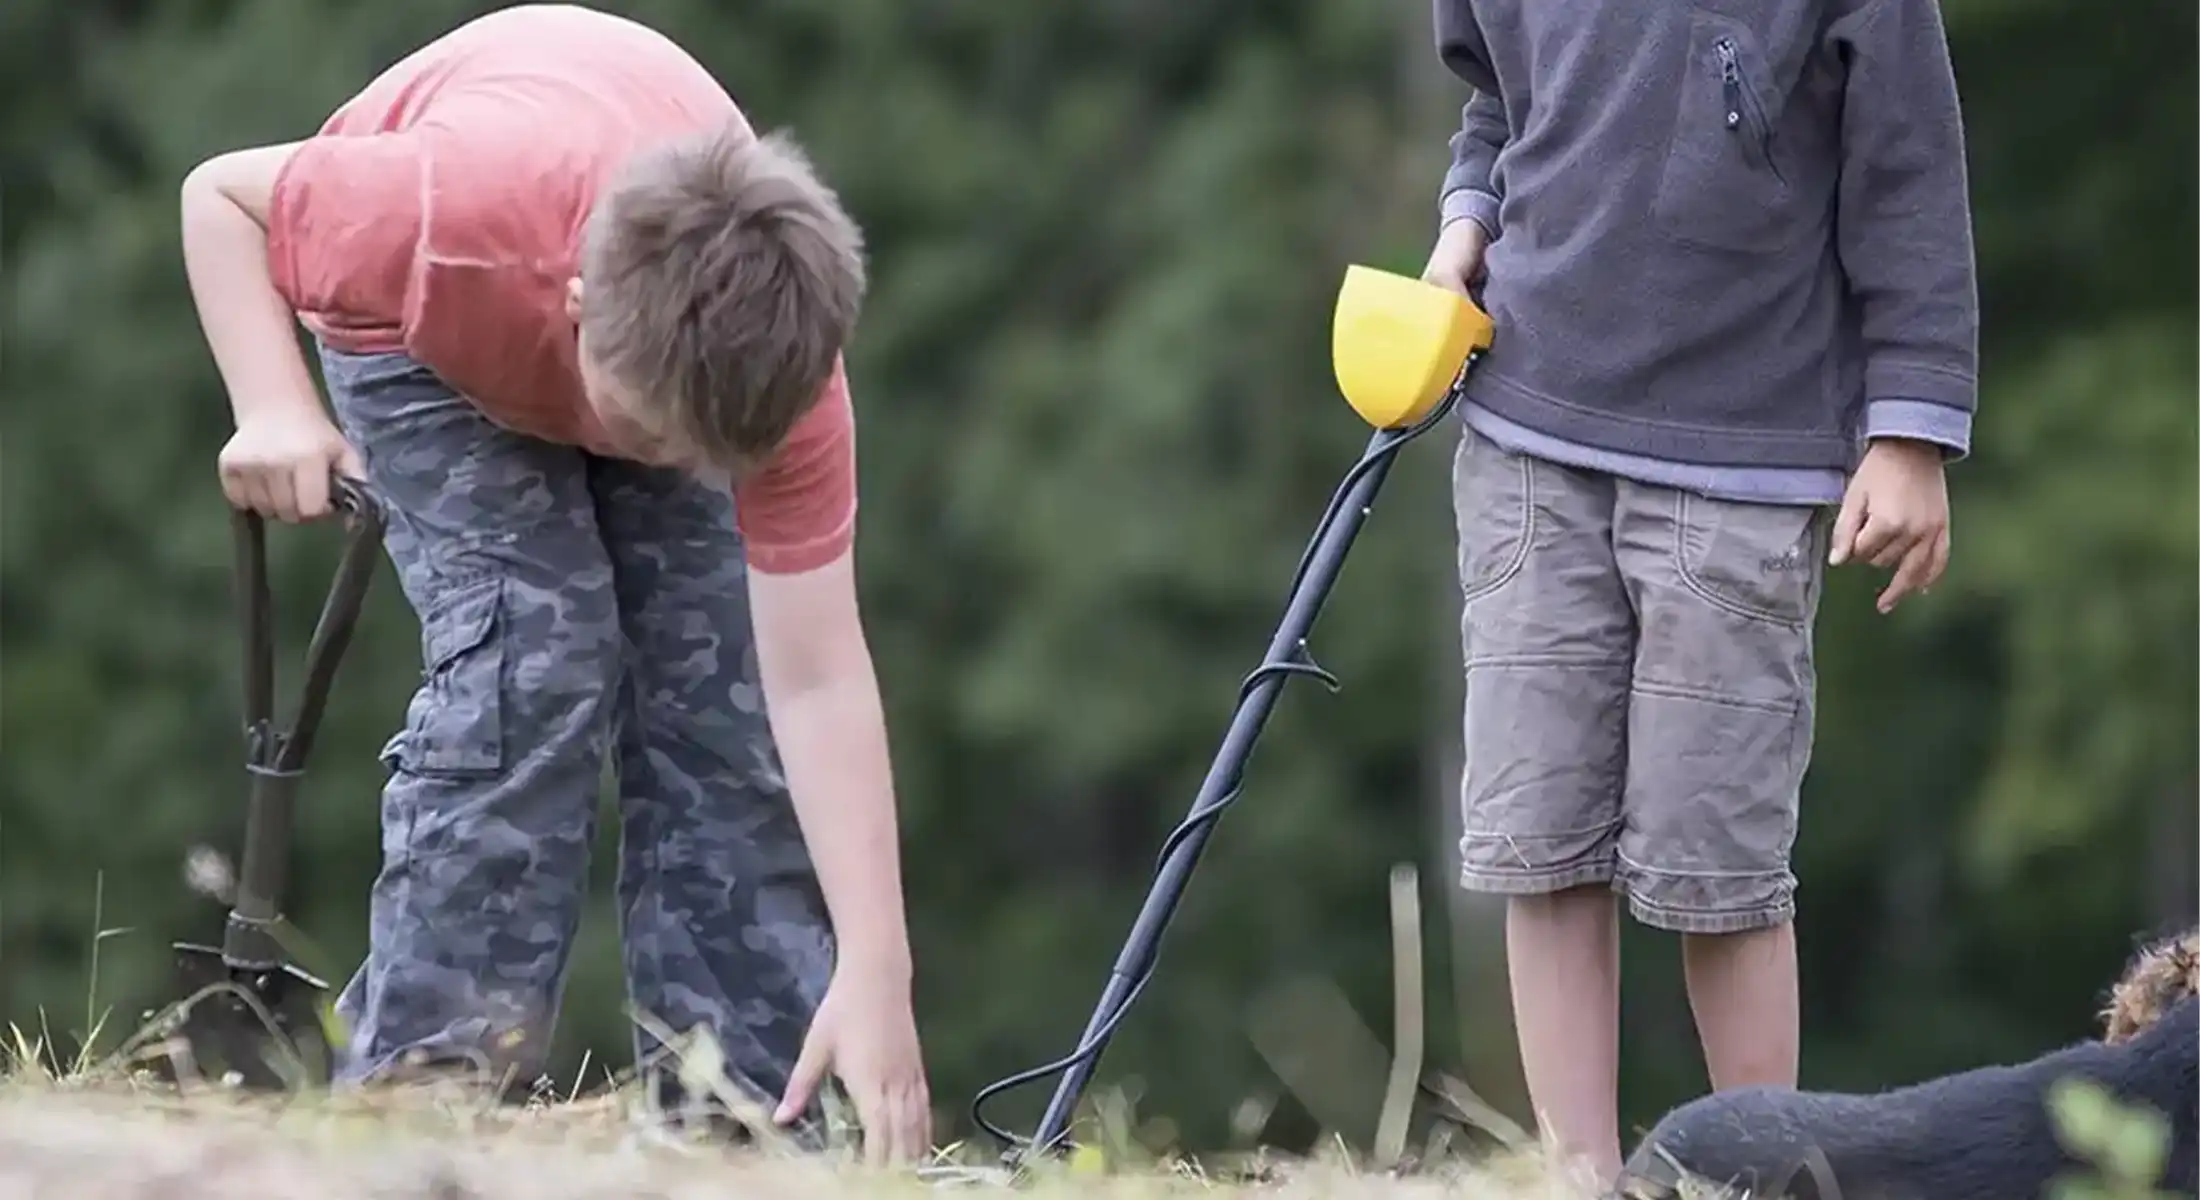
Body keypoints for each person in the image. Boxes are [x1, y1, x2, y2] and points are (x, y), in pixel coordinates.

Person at [177, 3, 930, 1163]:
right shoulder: (439, 214)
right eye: (647, 432)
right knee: (538, 648)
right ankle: (423, 1088)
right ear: (577, 309)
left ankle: (743, 1120)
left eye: (699, 457)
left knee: (719, 694)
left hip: (634, 319)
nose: (664, 469)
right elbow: (220, 194)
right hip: (420, 335)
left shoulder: (777, 386)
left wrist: (879, 969)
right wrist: (272, 403)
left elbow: (817, 681)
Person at [1419, 0, 1976, 1185]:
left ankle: (1763, 1176)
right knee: (1540, 839)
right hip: (1526, 432)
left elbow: (1908, 170)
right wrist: (1466, 223)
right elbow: (1496, 108)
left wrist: (1911, 430)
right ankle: (1576, 1174)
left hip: (1743, 456)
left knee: (1717, 868)